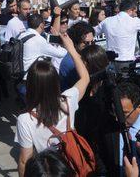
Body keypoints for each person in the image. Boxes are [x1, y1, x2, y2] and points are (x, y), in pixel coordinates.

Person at [15, 32, 90, 177]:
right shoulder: (68, 100)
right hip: (71, 165)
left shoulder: (25, 119)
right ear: (56, 83)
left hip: (49, 170)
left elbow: (25, 160)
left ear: (30, 86)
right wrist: (72, 50)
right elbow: (85, 78)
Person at [95, 1, 140, 68]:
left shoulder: (107, 21)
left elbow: (93, 31)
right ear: (130, 10)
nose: (136, 15)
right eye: (135, 12)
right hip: (127, 62)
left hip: (111, 62)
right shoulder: (134, 21)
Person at [59, 21, 95, 91]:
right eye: (86, 43)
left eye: (92, 42)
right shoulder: (69, 63)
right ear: (75, 41)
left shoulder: (88, 55)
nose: (90, 46)